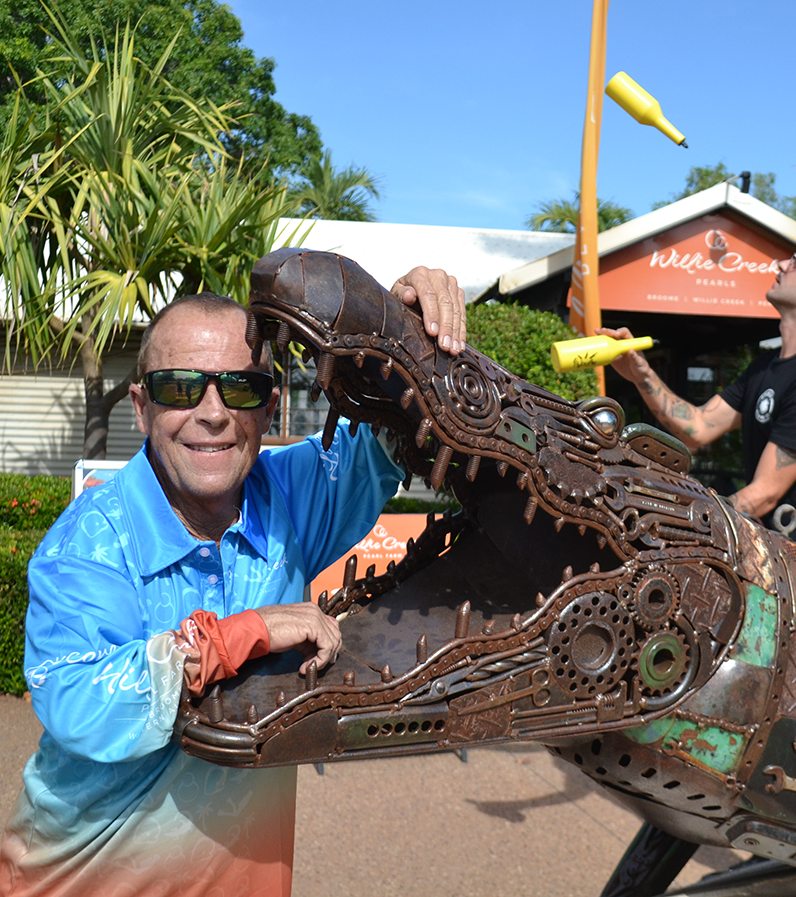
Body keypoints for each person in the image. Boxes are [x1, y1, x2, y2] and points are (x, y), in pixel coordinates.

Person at [0, 265, 466, 897]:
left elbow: (389, 433)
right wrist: (235, 638)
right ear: (142, 406)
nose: (212, 413)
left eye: (240, 388)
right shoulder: (86, 548)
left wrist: (397, 329)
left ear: (268, 406)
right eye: (180, 387)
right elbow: (80, 704)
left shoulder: (294, 497)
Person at [600, 237, 796, 548]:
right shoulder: (766, 367)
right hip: (780, 554)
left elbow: (763, 495)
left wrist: (681, 522)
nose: (781, 264)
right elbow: (698, 428)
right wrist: (642, 375)